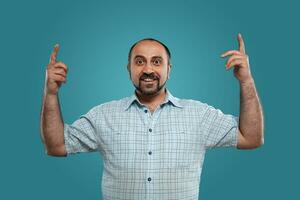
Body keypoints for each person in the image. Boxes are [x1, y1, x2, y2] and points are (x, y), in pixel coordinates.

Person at [40, 34, 264, 200]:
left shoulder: (199, 115)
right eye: (139, 61)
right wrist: (50, 93)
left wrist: (246, 81)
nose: (148, 69)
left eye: (157, 61)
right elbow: (57, 145)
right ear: (128, 68)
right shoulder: (103, 115)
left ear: (169, 69)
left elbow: (251, 138)